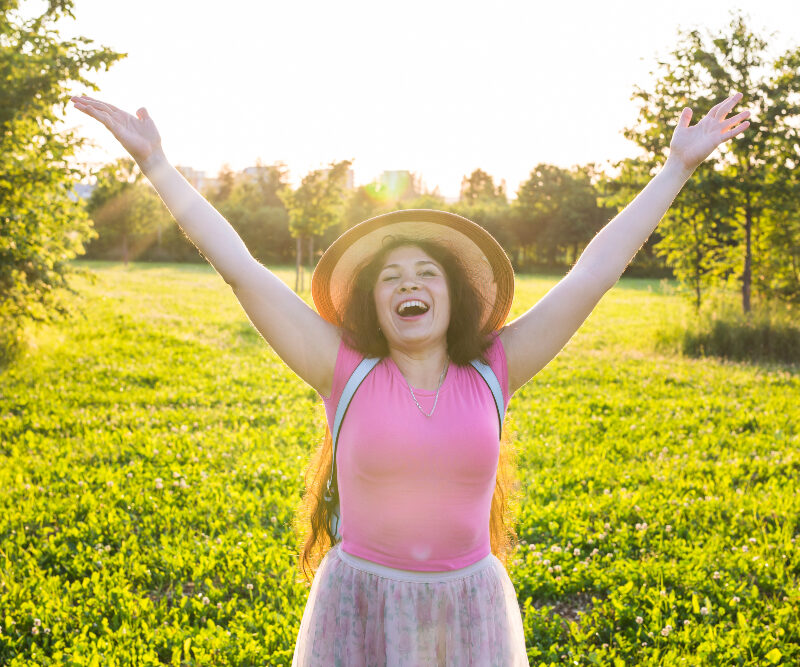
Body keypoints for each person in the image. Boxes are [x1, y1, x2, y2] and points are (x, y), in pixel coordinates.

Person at [71, 92, 750, 665]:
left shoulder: (494, 369)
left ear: (453, 295)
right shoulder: (342, 369)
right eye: (391, 278)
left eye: (426, 274)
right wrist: (157, 164)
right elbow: (241, 268)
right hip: (359, 604)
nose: (409, 285)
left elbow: (593, 274)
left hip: (470, 608)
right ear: (372, 302)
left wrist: (672, 171)